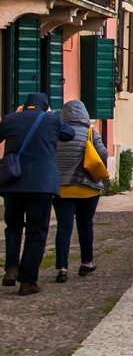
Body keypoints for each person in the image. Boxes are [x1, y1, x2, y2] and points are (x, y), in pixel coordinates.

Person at [2, 93, 76, 296]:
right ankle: (27, 281)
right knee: (36, 232)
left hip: (13, 183)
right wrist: (51, 115)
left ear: (25, 106)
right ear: (45, 107)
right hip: (41, 185)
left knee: (13, 227)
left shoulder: (11, 119)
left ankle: (11, 268)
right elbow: (69, 134)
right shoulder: (51, 119)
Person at [52, 100, 107, 283]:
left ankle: (62, 267)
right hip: (88, 189)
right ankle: (87, 263)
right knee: (85, 225)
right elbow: (104, 154)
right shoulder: (90, 133)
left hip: (62, 188)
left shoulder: (57, 134)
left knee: (63, 227)